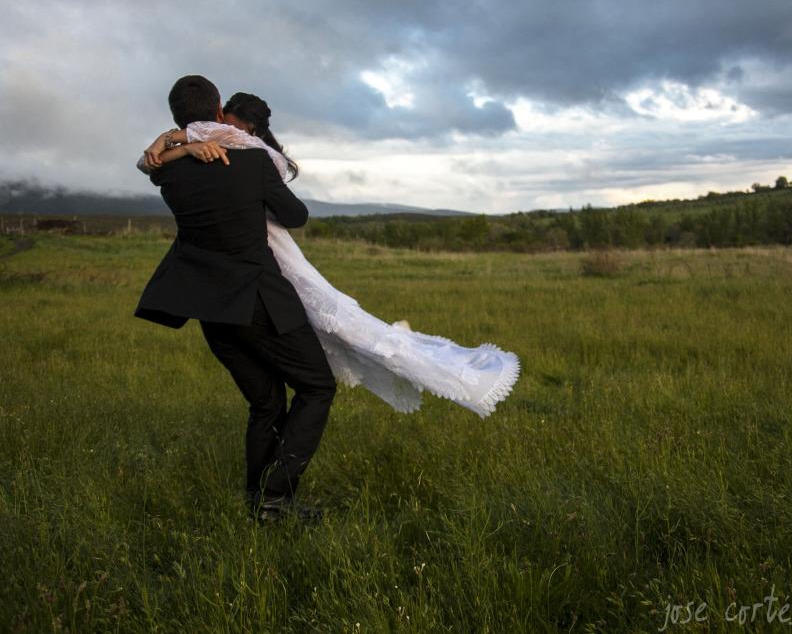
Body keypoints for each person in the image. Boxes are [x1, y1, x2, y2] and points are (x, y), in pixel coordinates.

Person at [139, 91, 520, 420]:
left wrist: (174, 138)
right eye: (224, 123)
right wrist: (182, 144)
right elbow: (156, 159)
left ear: (247, 128)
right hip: (252, 262)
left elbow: (167, 156)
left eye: (233, 126)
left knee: (334, 316)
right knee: (311, 336)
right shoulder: (221, 145)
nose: (226, 131)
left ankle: (416, 358)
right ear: (219, 111)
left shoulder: (249, 151)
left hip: (270, 251)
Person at [134, 75, 335, 525]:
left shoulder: (167, 171)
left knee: (266, 403)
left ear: (175, 118)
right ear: (220, 107)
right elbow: (295, 215)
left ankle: (258, 502)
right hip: (261, 301)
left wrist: (175, 144)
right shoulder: (251, 162)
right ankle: (275, 499)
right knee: (318, 387)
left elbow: (150, 164)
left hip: (211, 308)